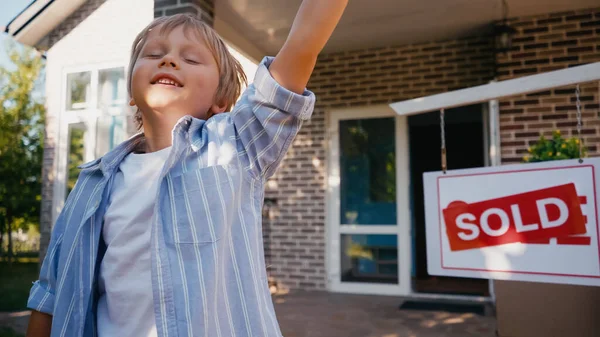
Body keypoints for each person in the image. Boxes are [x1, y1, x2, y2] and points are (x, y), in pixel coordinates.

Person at [25, 1, 348, 336]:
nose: (168, 59)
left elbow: (304, 41)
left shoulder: (236, 146)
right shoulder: (92, 183)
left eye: (191, 58)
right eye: (152, 54)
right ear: (131, 94)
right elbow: (51, 293)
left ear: (220, 102)